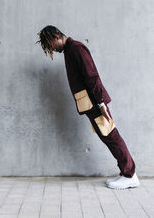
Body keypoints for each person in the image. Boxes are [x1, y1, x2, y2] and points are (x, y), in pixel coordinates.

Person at [36, 25, 140, 189]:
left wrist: (101, 104)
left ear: (57, 35)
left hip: (96, 104)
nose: (52, 49)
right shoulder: (70, 50)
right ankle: (125, 172)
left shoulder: (76, 48)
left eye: (51, 44)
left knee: (111, 136)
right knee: (108, 137)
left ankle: (130, 174)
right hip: (91, 104)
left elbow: (92, 76)